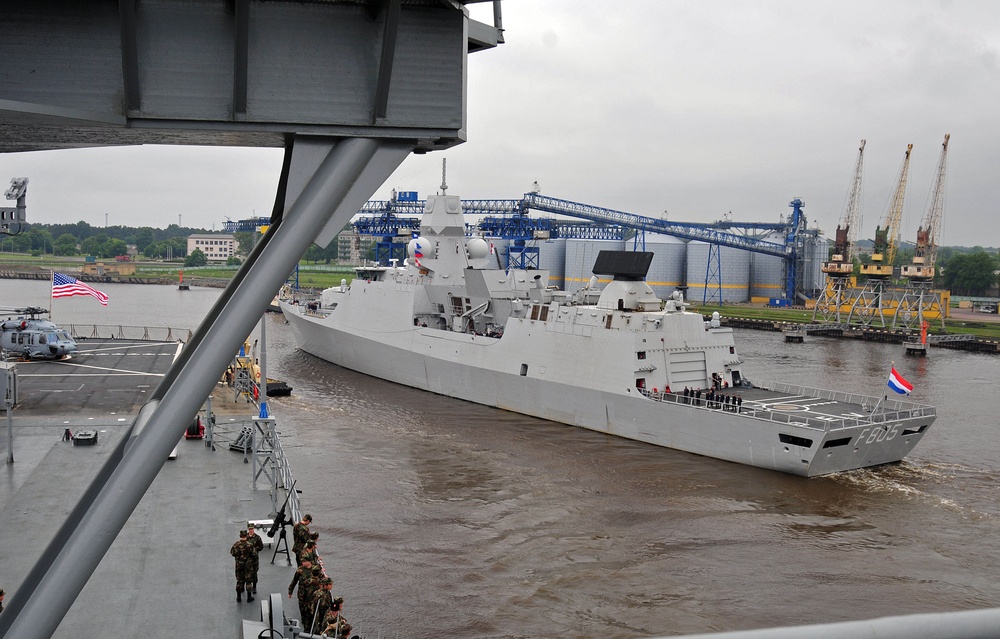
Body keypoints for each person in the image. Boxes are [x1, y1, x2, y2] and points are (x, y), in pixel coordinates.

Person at [230, 530, 253, 602]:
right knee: (248, 580)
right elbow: (254, 555)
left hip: (239, 565)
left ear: (240, 536)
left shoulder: (236, 545)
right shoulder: (250, 544)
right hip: (248, 565)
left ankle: (238, 597)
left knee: (239, 580)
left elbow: (232, 553)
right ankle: (249, 597)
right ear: (246, 536)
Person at [245, 523, 264, 595]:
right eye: (249, 529)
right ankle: (246, 586)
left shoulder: (257, 538)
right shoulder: (245, 537)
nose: (251, 531)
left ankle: (254, 586)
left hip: (254, 559)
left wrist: (254, 549)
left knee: (254, 573)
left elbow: (261, 547)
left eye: (252, 529)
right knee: (246, 573)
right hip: (246, 559)